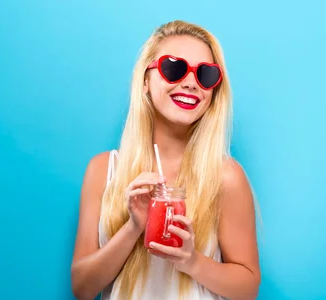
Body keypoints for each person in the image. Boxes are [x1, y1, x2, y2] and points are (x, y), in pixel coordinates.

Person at [70, 20, 261, 300]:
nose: (190, 83)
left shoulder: (225, 176)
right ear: (145, 81)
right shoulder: (103, 170)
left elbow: (248, 287)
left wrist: (191, 261)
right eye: (174, 68)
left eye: (205, 75)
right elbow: (82, 289)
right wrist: (134, 227)